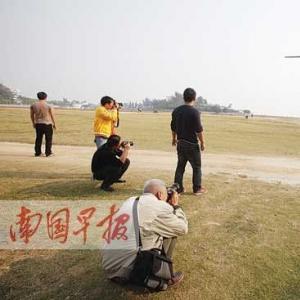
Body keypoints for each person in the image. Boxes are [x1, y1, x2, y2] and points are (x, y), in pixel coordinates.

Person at [101, 179, 188, 291]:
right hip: (129, 271)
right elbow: (182, 228)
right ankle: (165, 275)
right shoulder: (160, 207)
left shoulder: (130, 200)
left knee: (145, 232)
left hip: (108, 265)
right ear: (160, 194)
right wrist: (176, 207)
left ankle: (118, 274)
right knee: (171, 232)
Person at [171, 87, 207, 195]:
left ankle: (178, 188)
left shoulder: (176, 111)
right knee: (196, 167)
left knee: (180, 166)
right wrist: (202, 142)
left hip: (180, 142)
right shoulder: (195, 112)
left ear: (184, 97)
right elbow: (198, 130)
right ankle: (197, 188)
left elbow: (173, 127)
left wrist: (174, 139)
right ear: (194, 98)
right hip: (192, 144)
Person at [30, 91, 56, 157]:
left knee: (38, 138)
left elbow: (32, 115)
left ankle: (38, 153)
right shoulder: (49, 105)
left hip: (38, 123)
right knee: (48, 139)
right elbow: (52, 115)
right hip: (47, 123)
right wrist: (54, 124)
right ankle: (48, 153)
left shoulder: (33, 105)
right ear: (45, 97)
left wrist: (33, 123)